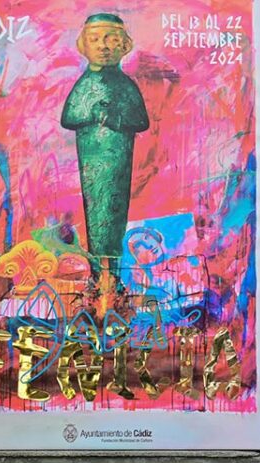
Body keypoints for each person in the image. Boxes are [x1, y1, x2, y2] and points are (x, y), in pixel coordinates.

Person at [61, 13, 149, 280]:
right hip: (91, 161)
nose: (103, 46)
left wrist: (115, 118)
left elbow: (140, 120)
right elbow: (69, 117)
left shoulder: (126, 86)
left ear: (124, 46)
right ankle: (100, 277)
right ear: (83, 46)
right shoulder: (85, 84)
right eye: (95, 39)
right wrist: (92, 115)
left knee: (115, 213)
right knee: (96, 214)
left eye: (111, 39)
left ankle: (115, 278)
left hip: (119, 161)